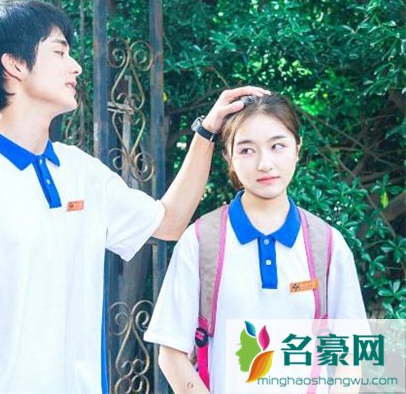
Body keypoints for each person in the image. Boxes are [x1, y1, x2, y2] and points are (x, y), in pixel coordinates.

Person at [0, 0, 268, 393]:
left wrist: (206, 132)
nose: (75, 66)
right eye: (59, 52)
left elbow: (170, 222)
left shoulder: (80, 171)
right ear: (15, 65)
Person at [144, 94, 367, 393]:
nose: (265, 164)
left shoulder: (327, 243)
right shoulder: (201, 240)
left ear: (297, 149)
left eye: (278, 146)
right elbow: (171, 354)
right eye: (247, 150)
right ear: (229, 158)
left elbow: (349, 354)